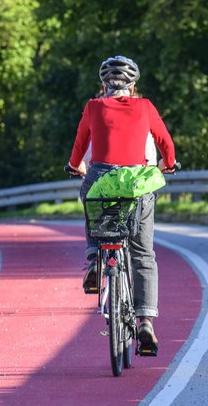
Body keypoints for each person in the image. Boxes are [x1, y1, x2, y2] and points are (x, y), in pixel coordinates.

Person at [67, 55, 176, 356]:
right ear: (133, 85)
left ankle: (93, 260)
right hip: (136, 184)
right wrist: (169, 164)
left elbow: (79, 146)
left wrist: (74, 165)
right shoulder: (146, 107)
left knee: (89, 199)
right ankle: (145, 322)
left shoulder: (93, 106)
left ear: (103, 84)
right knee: (143, 253)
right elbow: (165, 142)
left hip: (102, 178)